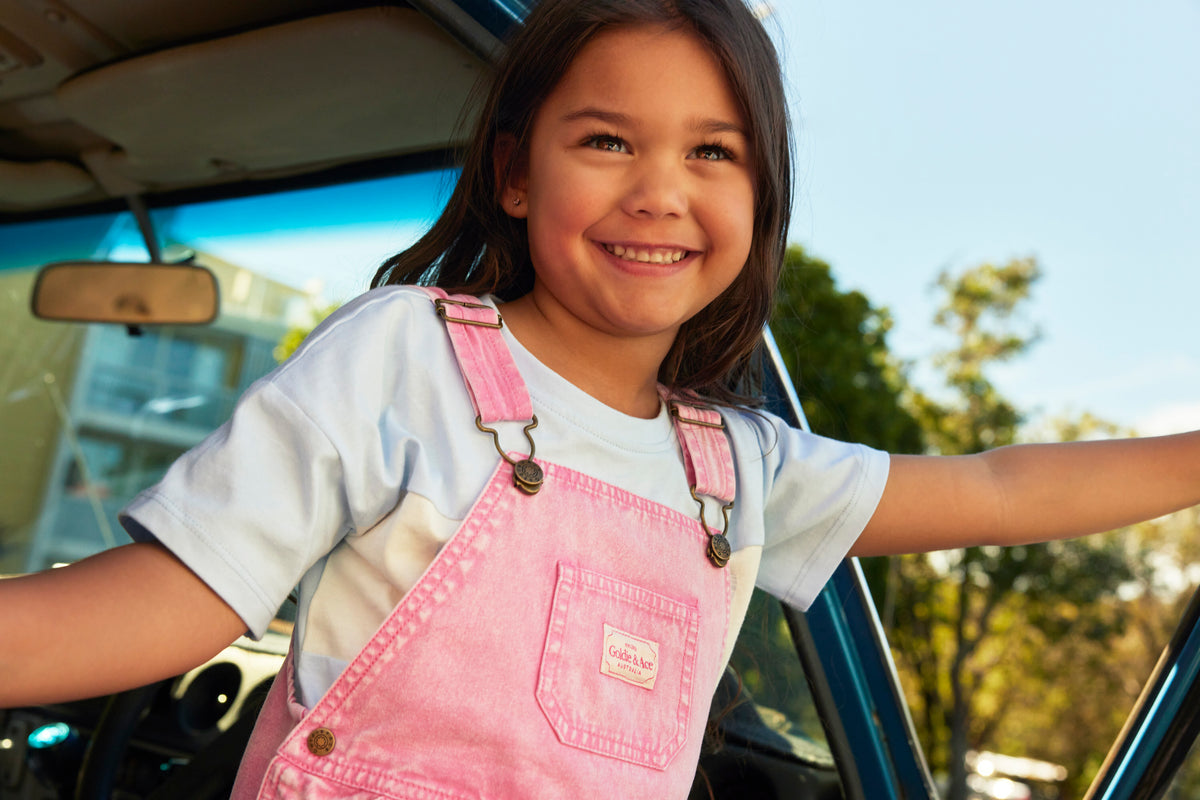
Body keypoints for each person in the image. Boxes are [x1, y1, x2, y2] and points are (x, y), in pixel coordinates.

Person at [2, 0, 1197, 796]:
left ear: (760, 202)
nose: (661, 192)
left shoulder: (741, 467)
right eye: (610, 141)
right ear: (517, 173)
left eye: (713, 153)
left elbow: (996, 484)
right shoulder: (401, 355)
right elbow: (166, 604)